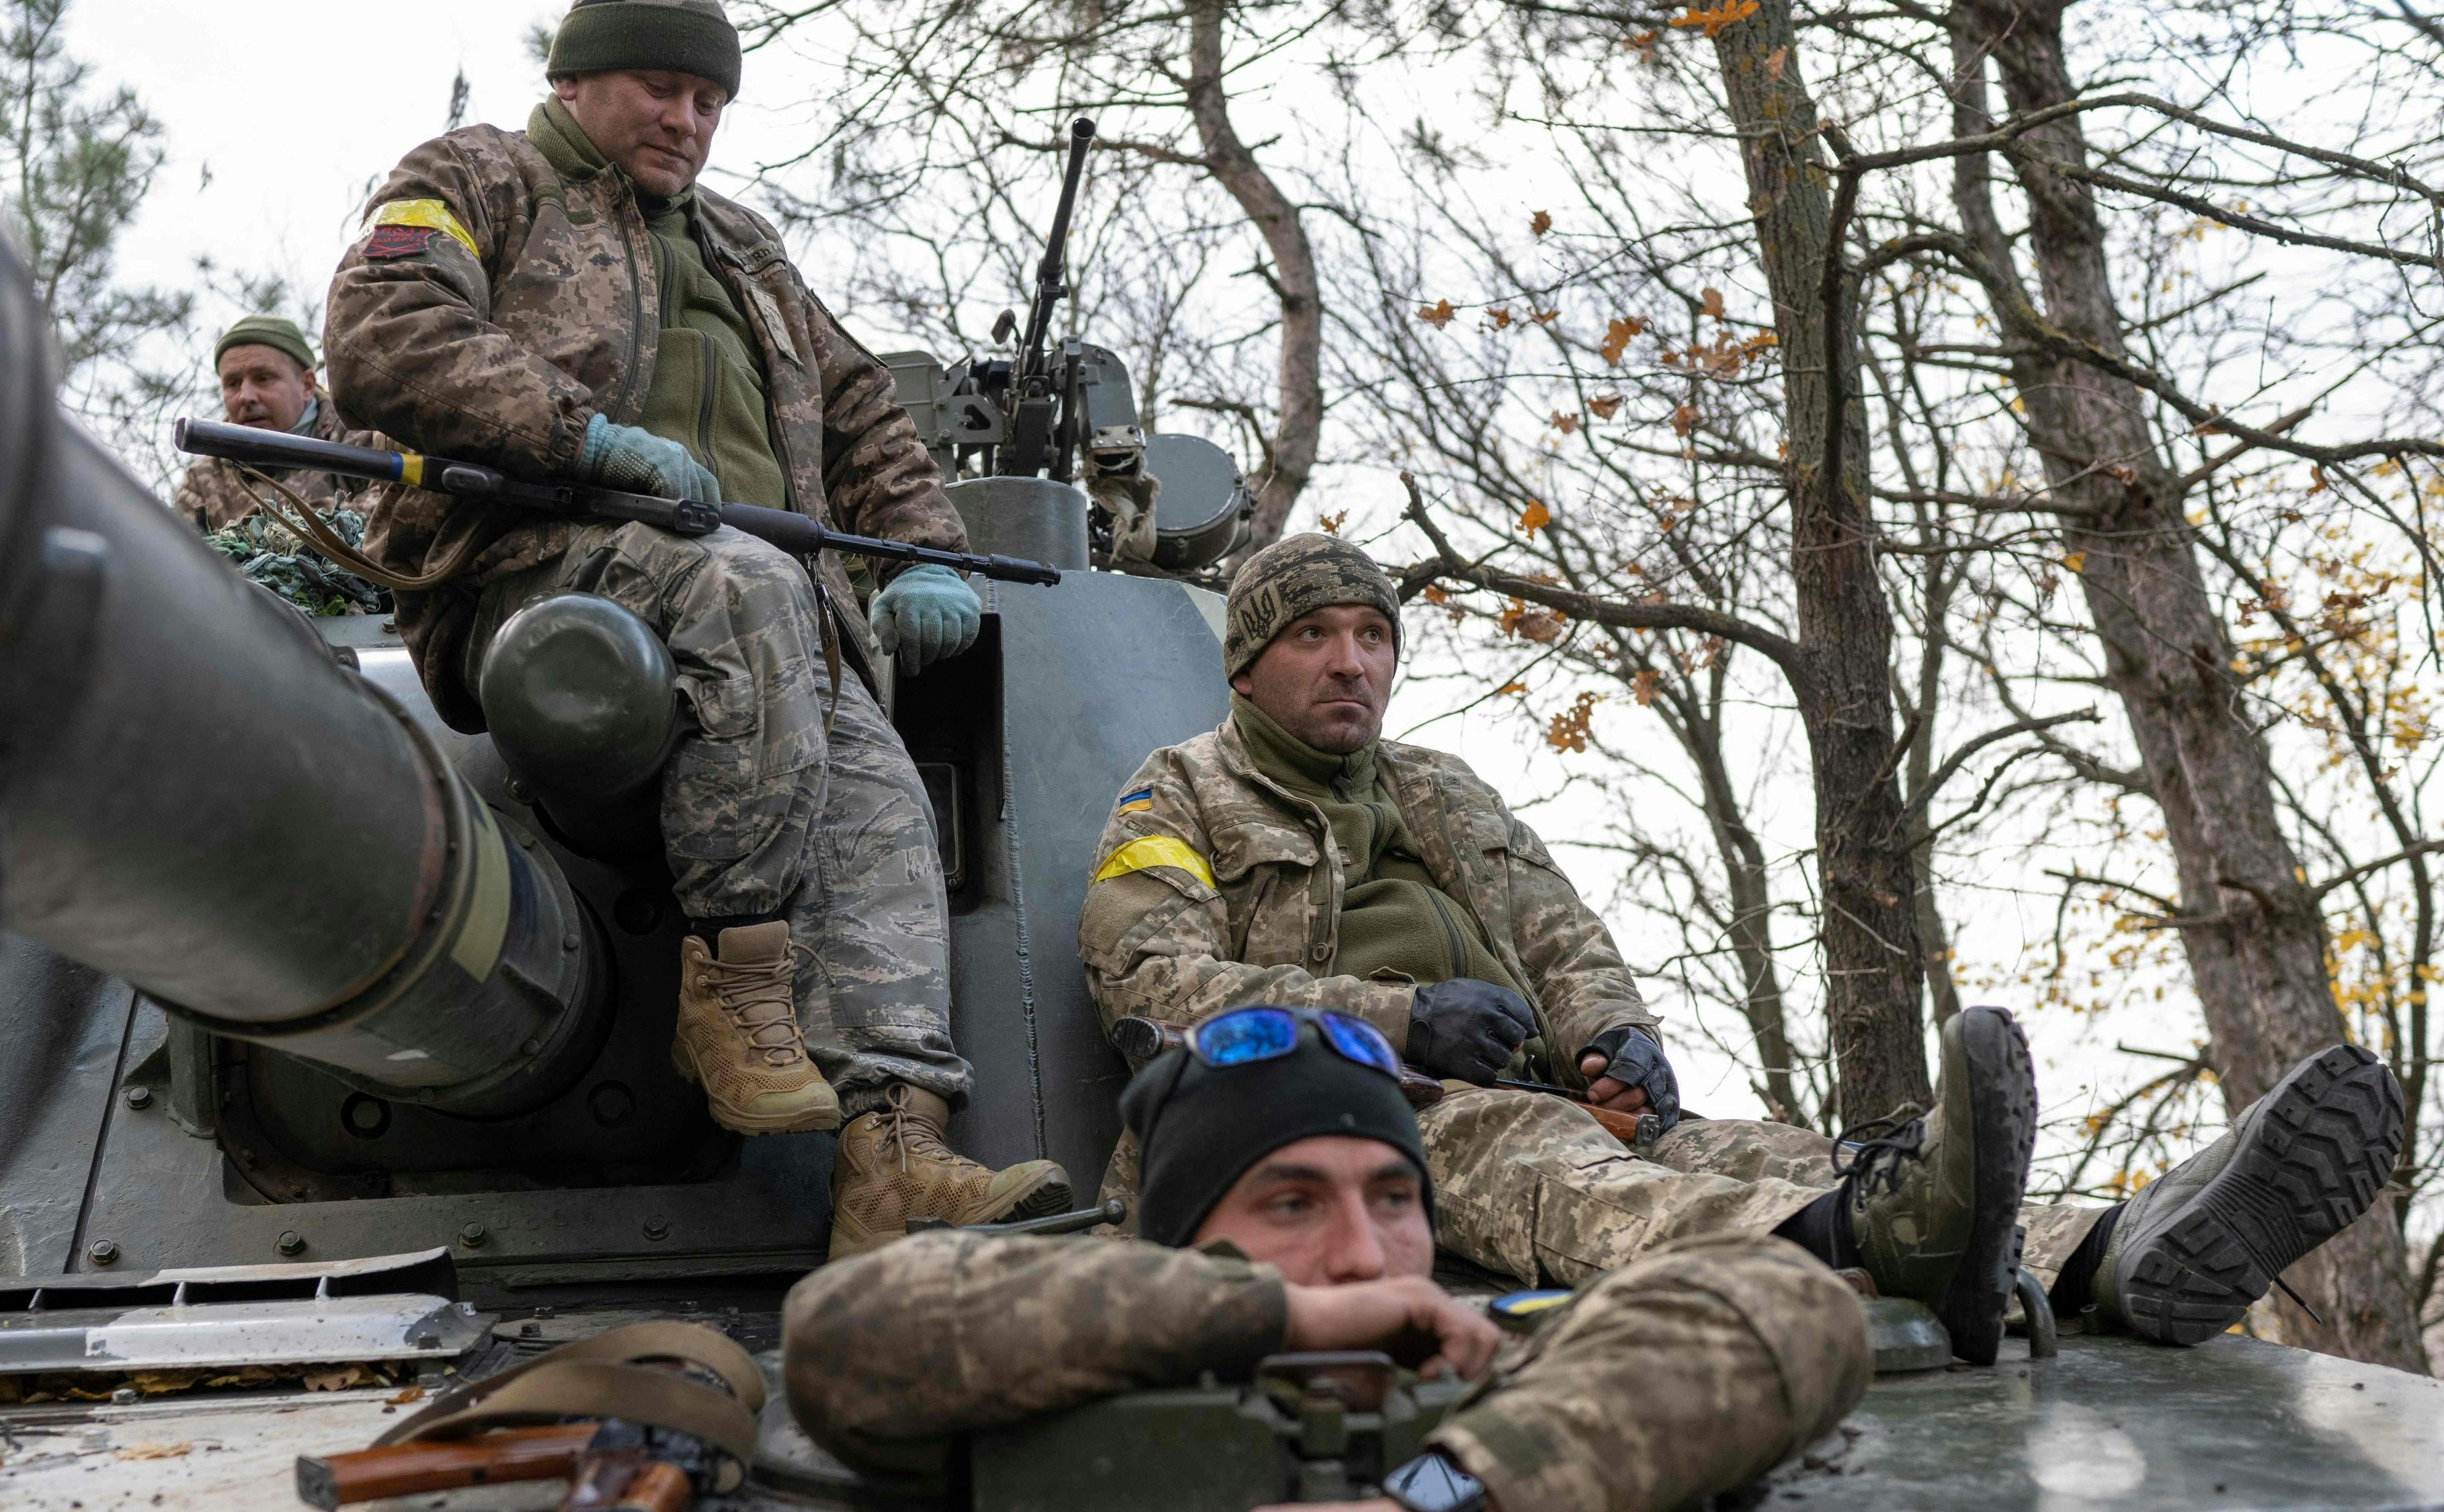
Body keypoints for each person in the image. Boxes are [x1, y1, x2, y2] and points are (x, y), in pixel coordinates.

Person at [1079, 532, 2408, 1359]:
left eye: (1373, 635)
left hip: (1545, 1091)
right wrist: (1399, 1021)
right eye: (1314, 636)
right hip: (1360, 1107)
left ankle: (2114, 1243)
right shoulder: (1177, 793)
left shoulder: (1440, 788)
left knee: (1756, 1148)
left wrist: (1617, 1038)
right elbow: (1149, 983)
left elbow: (1562, 932)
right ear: (1245, 666)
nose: (1351, 662)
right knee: (1555, 1167)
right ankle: (1879, 1236)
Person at [323, 0, 1066, 1256]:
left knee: (881, 799)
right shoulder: (478, 178)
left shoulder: (743, 246)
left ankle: (893, 1155)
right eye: (659, 90)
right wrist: (585, 439)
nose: (687, 120)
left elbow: (862, 410)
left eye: (709, 101)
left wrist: (925, 553)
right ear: (576, 82)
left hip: (760, 607)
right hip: (537, 565)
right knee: (746, 583)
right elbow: (384, 332)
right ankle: (732, 986)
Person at [784, 1005, 1874, 1512]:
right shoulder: (1041, 1385)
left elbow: (1792, 1303)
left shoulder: (1518, 1370)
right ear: (1183, 1242)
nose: (1365, 1256)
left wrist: (1438, 1496)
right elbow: (845, 1337)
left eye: (1396, 1200)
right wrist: (1285, 1315)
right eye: (1292, 1202)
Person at [170, 314, 380, 534]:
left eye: (263, 378)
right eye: (233, 384)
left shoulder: (360, 436)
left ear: (307, 386)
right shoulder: (203, 480)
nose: (245, 396)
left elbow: (388, 513)